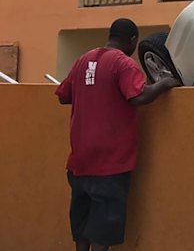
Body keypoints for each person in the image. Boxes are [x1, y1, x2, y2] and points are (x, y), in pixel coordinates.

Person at [55, 18, 180, 251]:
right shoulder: (123, 63)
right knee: (104, 228)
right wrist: (165, 84)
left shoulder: (83, 59)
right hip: (110, 164)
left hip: (79, 163)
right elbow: (138, 96)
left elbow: (63, 95)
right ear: (133, 40)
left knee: (81, 224)